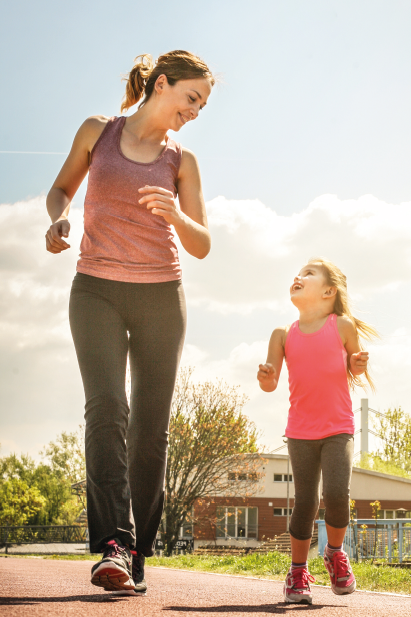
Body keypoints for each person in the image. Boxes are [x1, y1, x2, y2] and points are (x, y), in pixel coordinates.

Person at [44, 50, 214, 595]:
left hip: (162, 296)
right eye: (192, 97)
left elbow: (203, 244)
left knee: (149, 431)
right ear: (161, 84)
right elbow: (60, 189)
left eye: (203, 104)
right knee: (107, 408)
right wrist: (60, 217)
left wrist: (176, 214)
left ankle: (138, 551)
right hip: (95, 288)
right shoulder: (99, 131)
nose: (196, 110)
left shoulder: (182, 161)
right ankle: (113, 544)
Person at [257, 258, 379, 605]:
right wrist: (266, 377)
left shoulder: (341, 325)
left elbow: (355, 363)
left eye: (308, 273)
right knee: (306, 502)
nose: (298, 276)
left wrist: (356, 363)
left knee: (338, 494)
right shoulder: (283, 334)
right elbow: (271, 383)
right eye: (298, 273)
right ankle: (297, 572)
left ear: (329, 291)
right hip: (300, 431)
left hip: (338, 428)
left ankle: (335, 554)